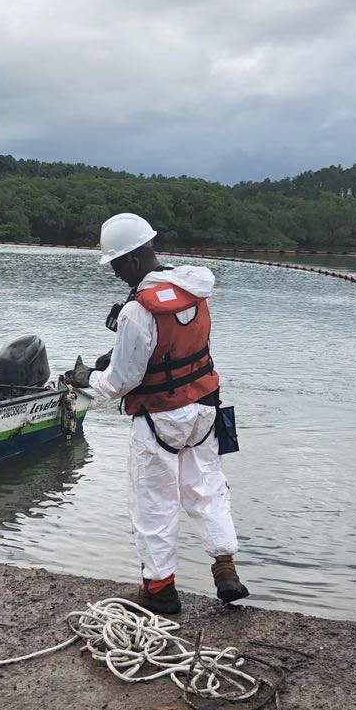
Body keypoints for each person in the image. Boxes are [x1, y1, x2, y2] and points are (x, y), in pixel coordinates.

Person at [65, 213, 248, 615]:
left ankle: (160, 591)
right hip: (204, 410)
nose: (114, 273)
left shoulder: (136, 312)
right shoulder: (196, 286)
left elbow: (120, 383)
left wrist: (87, 377)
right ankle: (225, 569)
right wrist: (122, 345)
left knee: (154, 501)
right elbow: (175, 346)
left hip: (159, 418)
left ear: (129, 260)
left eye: (114, 265)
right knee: (207, 487)